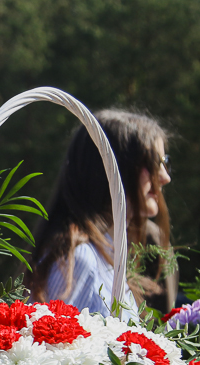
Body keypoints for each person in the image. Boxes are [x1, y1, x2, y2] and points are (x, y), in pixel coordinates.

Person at [26, 109, 173, 317]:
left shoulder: (106, 256)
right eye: (152, 163)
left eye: (164, 161)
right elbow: (49, 344)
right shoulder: (77, 260)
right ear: (111, 169)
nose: (165, 177)